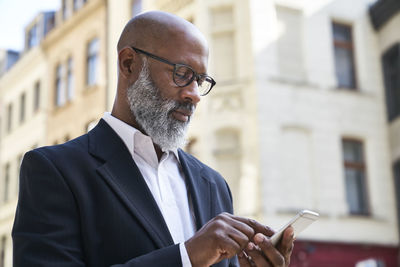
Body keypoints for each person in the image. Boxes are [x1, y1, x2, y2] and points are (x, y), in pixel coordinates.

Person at [12, 11, 294, 267]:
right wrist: (187, 256)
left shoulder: (214, 184)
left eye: (201, 80)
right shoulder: (55, 170)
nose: (194, 94)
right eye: (182, 74)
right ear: (128, 63)